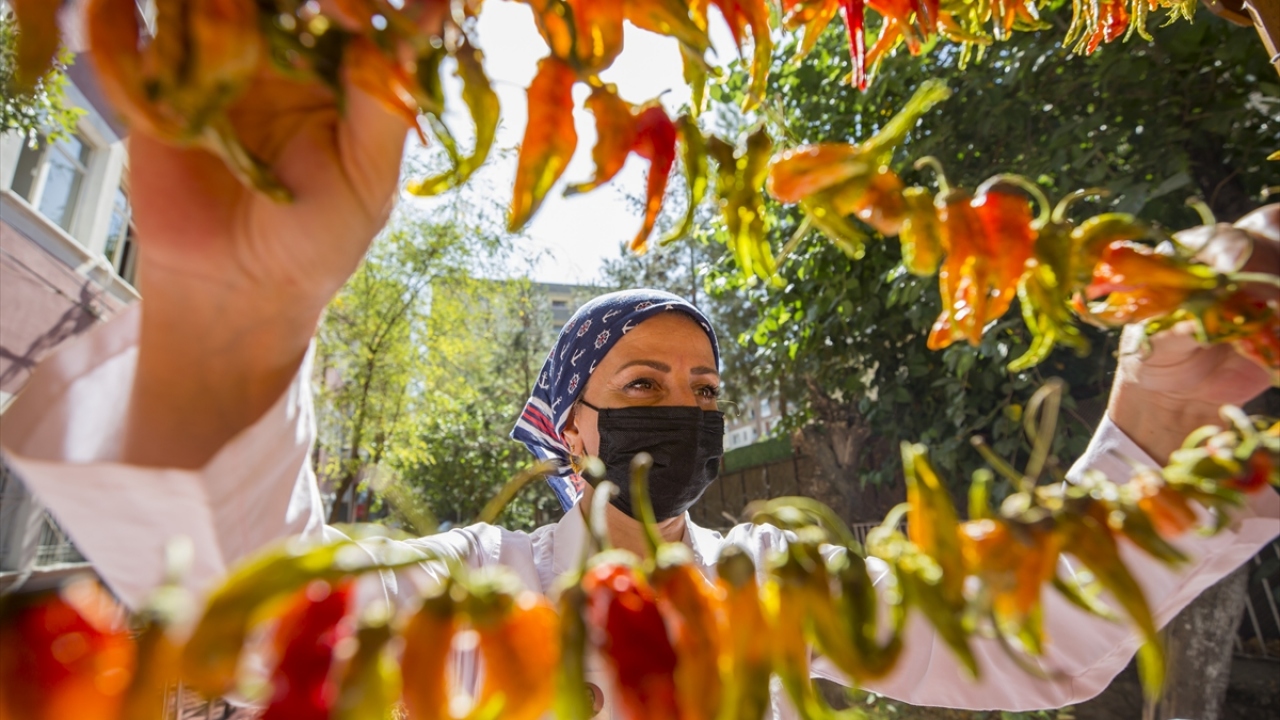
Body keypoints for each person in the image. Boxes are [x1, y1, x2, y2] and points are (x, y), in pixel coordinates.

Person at [1, 67, 1277, 718]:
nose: (686, 405)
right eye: (645, 382)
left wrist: (1159, 426)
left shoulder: (774, 590)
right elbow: (263, 610)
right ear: (564, 424)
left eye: (705, 385)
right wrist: (245, 306)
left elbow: (1016, 636)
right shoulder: (471, 581)